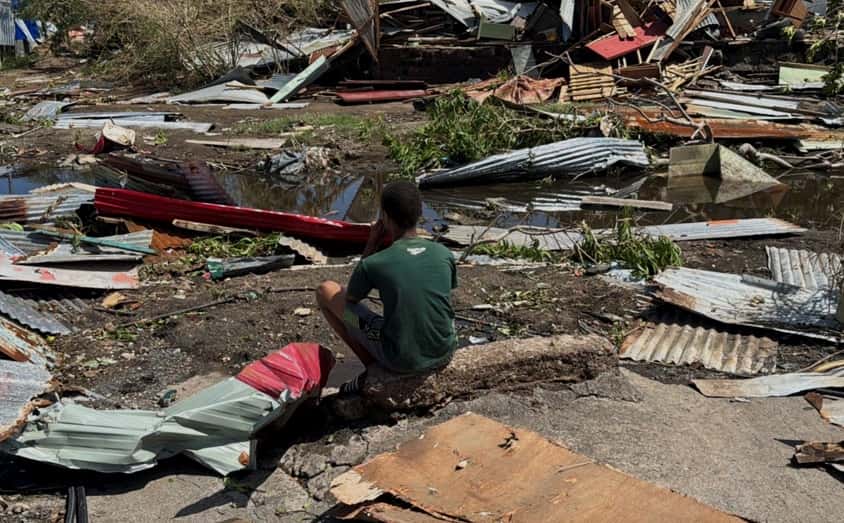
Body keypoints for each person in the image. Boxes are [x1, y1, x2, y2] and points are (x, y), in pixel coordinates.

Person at [316, 181, 458, 394]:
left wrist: (371, 245)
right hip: (444, 350)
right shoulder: (443, 253)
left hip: (400, 358)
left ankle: (372, 367)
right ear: (419, 213)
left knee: (326, 291)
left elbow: (351, 298)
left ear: (385, 217)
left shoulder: (375, 262)